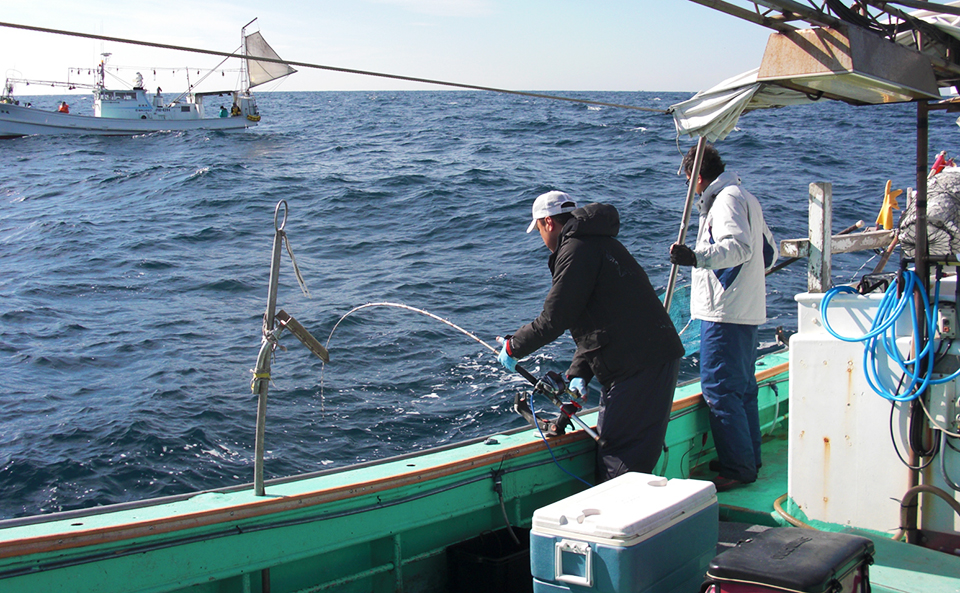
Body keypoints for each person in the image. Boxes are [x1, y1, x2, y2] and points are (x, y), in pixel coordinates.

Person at [499, 191, 685, 481]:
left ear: (548, 222)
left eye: (538, 230)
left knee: (619, 467)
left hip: (638, 368)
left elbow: (555, 319)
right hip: (648, 359)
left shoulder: (575, 250)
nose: (541, 238)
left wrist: (513, 347)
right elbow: (595, 322)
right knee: (620, 453)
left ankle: (625, 526)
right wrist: (579, 376)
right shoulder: (599, 242)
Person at [669, 144, 777, 491]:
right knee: (743, 388)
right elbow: (768, 252)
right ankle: (748, 458)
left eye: (689, 182)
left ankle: (737, 468)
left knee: (719, 388)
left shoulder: (725, 200)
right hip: (744, 309)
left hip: (724, 313)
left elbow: (741, 247)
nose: (690, 189)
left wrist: (696, 257)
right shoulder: (745, 195)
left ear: (698, 177)